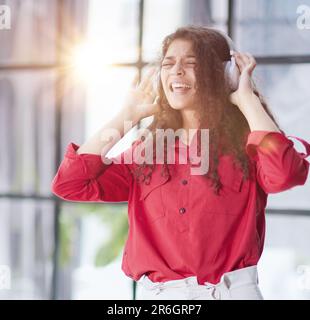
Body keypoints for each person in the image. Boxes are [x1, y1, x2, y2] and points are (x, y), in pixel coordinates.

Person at [51, 26, 310, 300]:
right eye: (168, 64)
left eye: (191, 64)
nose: (176, 71)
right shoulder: (147, 151)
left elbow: (285, 174)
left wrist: (246, 100)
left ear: (224, 75)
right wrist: (127, 115)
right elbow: (70, 183)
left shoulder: (250, 144)